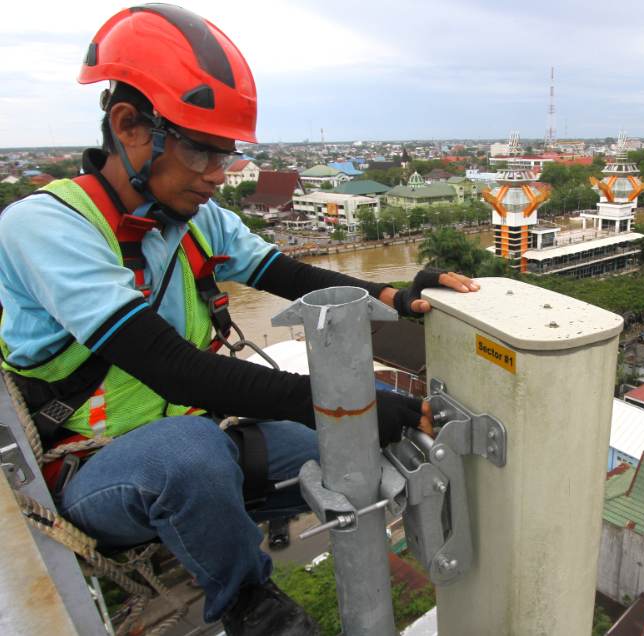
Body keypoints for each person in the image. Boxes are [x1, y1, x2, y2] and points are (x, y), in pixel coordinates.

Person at [0, 5, 478, 635]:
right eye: (201, 152)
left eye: (223, 156)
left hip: (202, 443)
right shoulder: (48, 227)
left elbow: (291, 275)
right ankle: (250, 604)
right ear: (128, 126)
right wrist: (338, 404)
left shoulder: (196, 220)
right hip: (97, 472)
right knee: (199, 452)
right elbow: (169, 368)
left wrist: (392, 296)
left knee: (362, 439)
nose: (217, 176)